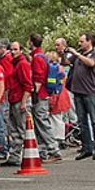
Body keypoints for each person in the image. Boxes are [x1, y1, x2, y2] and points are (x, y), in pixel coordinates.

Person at [69, 33, 95, 160]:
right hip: (78, 91)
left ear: (89, 42)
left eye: (82, 41)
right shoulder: (78, 54)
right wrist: (63, 53)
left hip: (90, 92)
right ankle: (87, 147)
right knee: (82, 121)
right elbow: (66, 62)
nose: (79, 44)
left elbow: (91, 63)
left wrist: (77, 55)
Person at [29, 33, 62, 163]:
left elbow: (39, 77)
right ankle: (42, 152)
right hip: (45, 94)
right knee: (39, 122)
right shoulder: (43, 56)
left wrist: (34, 94)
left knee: (42, 122)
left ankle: (54, 150)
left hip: (40, 95)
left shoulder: (37, 58)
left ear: (31, 42)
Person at [0, 41, 34, 168]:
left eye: (15, 49)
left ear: (21, 51)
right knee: (14, 129)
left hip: (20, 100)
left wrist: (24, 102)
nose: (13, 52)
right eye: (11, 49)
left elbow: (27, 85)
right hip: (14, 100)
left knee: (21, 129)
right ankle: (15, 155)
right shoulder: (15, 64)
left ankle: (24, 155)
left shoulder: (22, 65)